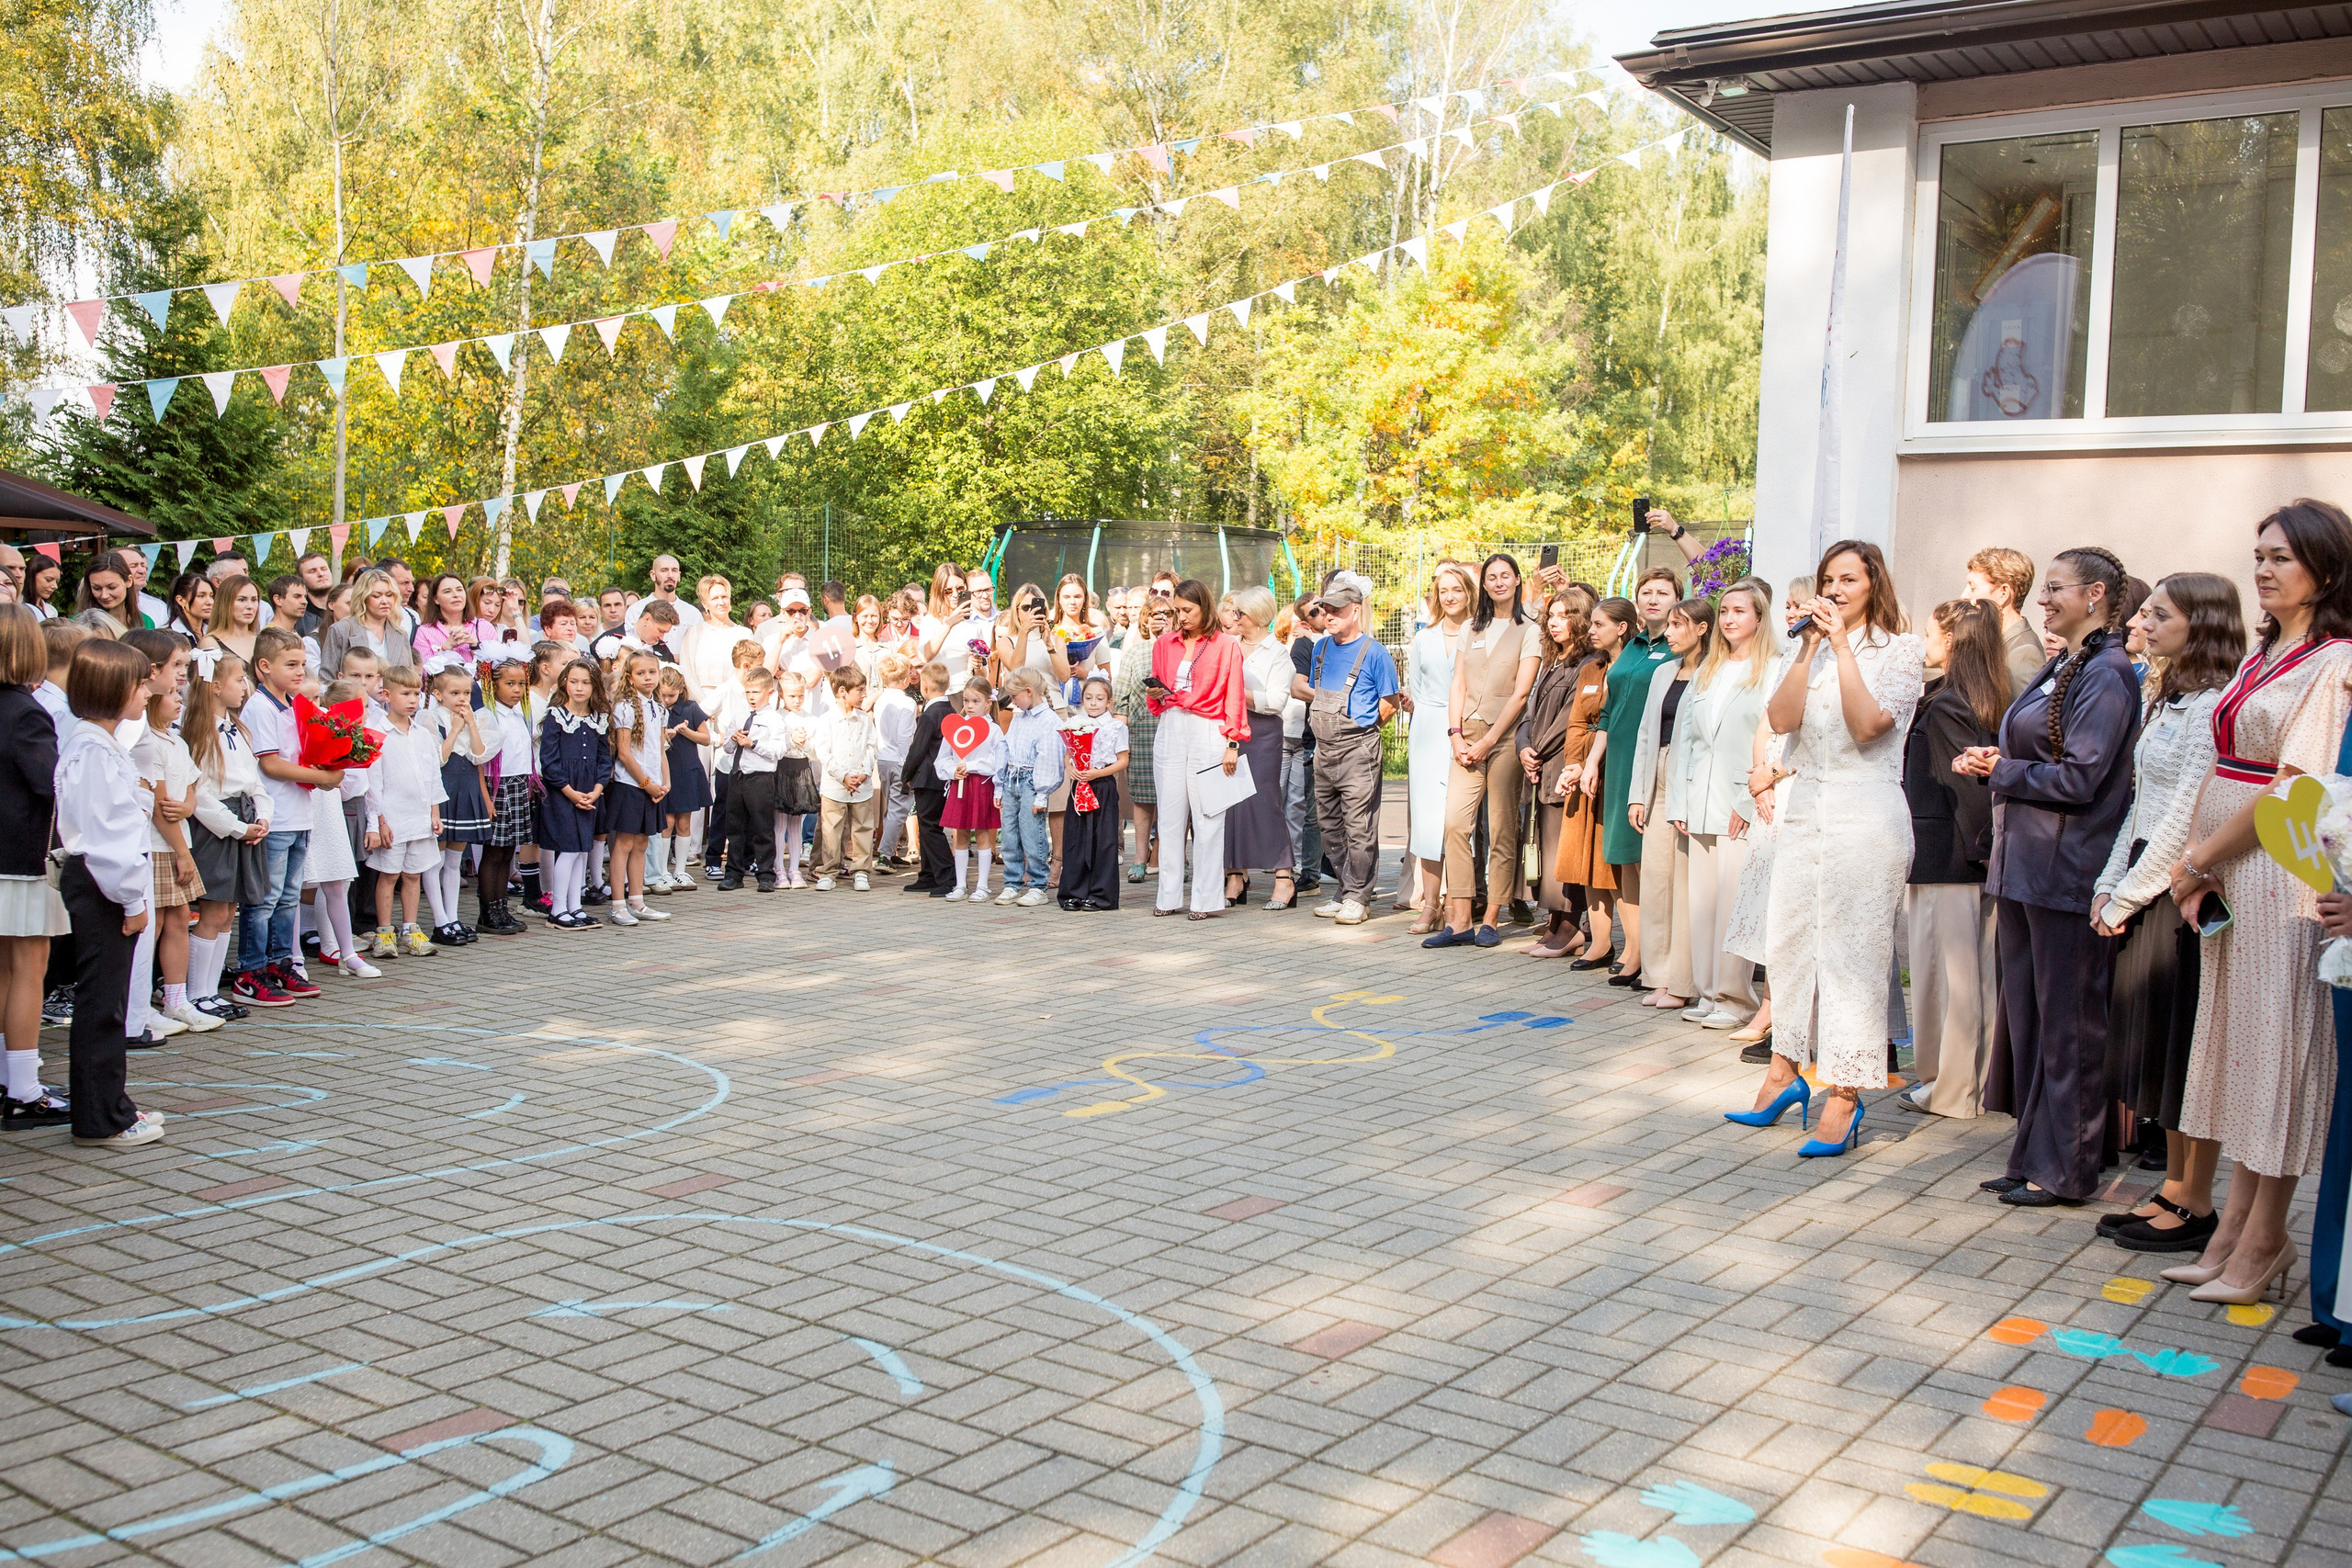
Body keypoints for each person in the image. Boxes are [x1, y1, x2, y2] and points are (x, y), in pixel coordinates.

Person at [2162, 501, 2352, 1304]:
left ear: (2327, 569)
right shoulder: (2266, 653)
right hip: (2230, 872)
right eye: (2259, 554)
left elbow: (2295, 791)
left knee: (2275, 1055)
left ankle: (2267, 1238)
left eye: (2281, 557)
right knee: (2235, 1052)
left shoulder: (2335, 661)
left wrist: (2203, 854)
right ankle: (2234, 1228)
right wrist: (2190, 865)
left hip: (2281, 871)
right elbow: (2222, 757)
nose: (2263, 568)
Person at [1729, 540, 1925, 1159]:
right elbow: (1782, 721)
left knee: (1854, 957)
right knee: (1789, 944)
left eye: (1848, 578)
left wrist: (1842, 645)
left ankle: (1845, 1092)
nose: (1835, 589)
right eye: (1828, 579)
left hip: (1866, 815)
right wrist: (1810, 646)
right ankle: (1784, 1071)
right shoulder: (1802, 648)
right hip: (1807, 811)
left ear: (1874, 584)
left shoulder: (1902, 651)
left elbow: (1869, 726)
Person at [2087, 573, 2245, 1250]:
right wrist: (2107, 882)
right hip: (2146, 878)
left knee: (2182, 1048)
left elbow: (2185, 815)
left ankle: (2194, 1196)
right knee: (2152, 1047)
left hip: (2178, 887)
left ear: (2200, 623)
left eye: (2159, 614)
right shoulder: (2167, 697)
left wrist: (2130, 892)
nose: (2142, 622)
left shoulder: (2214, 704)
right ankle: (2174, 1186)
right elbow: (2139, 805)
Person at [1897, 600, 2009, 1120]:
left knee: (1949, 977)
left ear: (1953, 641)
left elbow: (1969, 790)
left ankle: (1954, 1087)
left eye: (1928, 633)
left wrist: (1983, 854)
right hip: (1960, 855)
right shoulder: (1976, 697)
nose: (1923, 643)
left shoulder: (1949, 705)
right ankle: (1960, 1083)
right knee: (1963, 975)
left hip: (1951, 854)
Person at [53, 638, 165, 1145]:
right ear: (112, 687)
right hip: (105, 883)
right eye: (140, 683)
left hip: (108, 879)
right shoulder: (92, 749)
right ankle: (101, 1118)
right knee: (102, 1005)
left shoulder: (98, 742)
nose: (147, 692)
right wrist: (133, 901)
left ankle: (110, 1105)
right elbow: (106, 835)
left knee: (107, 1001)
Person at [1426, 555, 1543, 948]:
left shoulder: (1530, 629)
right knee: (1455, 824)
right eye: (1491, 577)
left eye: (1504, 576)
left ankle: (1492, 916)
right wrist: (1456, 736)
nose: (1497, 583)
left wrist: (1490, 741)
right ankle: (1458, 920)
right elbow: (1457, 683)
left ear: (1516, 581)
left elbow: (1522, 692)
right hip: (1466, 737)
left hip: (1505, 738)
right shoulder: (1470, 628)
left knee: (1502, 829)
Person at [1672, 581, 1773, 1028]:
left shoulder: (1770, 668)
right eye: (1726, 611)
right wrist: (1680, 799)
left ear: (1759, 618)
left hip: (1740, 801)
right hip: (1699, 797)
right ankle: (1709, 993)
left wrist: (1747, 800)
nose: (1730, 618)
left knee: (1736, 903)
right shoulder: (1708, 668)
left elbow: (1772, 743)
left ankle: (1736, 999)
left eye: (1740, 611)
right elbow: (1687, 741)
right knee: (1704, 903)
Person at [232, 627, 336, 1006]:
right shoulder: (260, 706)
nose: (298, 672)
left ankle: (279, 962)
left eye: (303, 665)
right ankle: (250, 970)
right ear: (263, 667)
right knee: (265, 898)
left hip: (298, 815)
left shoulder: (293, 705)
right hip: (274, 816)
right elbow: (272, 764)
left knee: (289, 897)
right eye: (290, 665)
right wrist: (321, 777)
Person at [1292, 572, 1401, 926]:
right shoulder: (1321, 648)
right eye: (1326, 609)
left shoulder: (1375, 652)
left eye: (1337, 609)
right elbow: (1306, 689)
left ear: (1355, 611)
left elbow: (1389, 703)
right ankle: (1344, 889)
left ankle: (1359, 897)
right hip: (1324, 749)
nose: (1330, 615)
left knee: (1360, 827)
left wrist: (1362, 728)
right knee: (1330, 826)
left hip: (1358, 750)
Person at [1621, 597, 1714, 1006]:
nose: (1670, 632)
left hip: (1690, 781)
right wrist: (1636, 796)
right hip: (1656, 777)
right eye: (1670, 625)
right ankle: (1657, 976)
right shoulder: (1663, 672)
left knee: (1685, 884)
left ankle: (1682, 982)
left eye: (1679, 625)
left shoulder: (1716, 674)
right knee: (1656, 878)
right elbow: (1645, 732)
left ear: (1701, 629)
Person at [1596, 564, 1686, 987]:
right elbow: (1609, 708)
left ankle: (1654, 955)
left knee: (1650, 858)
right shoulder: (1631, 646)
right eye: (1646, 592)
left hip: (1654, 759)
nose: (1652, 598)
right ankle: (1632, 948)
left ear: (1677, 600)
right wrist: (1594, 760)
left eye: (1662, 593)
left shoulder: (1679, 647)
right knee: (1623, 856)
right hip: (1618, 759)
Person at [0, 607, 68, 1125]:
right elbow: (52, 785)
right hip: (19, 859)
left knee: (6, 970)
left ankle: (10, 1076)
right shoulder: (24, 712)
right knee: (28, 969)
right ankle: (23, 1087)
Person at [1144, 579, 1247, 919]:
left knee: (1209, 818)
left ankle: (1205, 899)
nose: (1182, 617)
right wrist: (1157, 695)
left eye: (1188, 610)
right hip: (1172, 725)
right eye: (1177, 611)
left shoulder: (1226, 644)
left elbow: (1234, 694)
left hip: (1209, 729)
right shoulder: (1163, 644)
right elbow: (1155, 699)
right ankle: (1168, 896)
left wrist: (1233, 742)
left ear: (1205, 606)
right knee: (1170, 816)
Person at [183, 648, 266, 1018]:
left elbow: (255, 782)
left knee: (230, 910)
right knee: (213, 911)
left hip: (245, 820)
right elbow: (199, 794)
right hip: (220, 828)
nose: (245, 687)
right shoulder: (200, 732)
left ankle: (211, 992)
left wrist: (264, 816)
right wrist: (235, 828)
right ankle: (197, 993)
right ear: (215, 686)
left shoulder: (237, 728)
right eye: (238, 680)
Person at [1559, 598, 1633, 970]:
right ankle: (1600, 943)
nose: (1591, 631)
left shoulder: (1635, 666)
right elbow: (1576, 721)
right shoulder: (1591, 668)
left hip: (1615, 768)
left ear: (1622, 628)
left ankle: (1633, 946)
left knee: (1613, 865)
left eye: (1599, 624)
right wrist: (1573, 764)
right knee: (1586, 862)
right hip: (1583, 772)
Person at [361, 663, 448, 964]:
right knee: (389, 875)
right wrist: (380, 820)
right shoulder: (376, 734)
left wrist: (434, 812)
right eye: (405, 693)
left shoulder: (423, 734)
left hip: (419, 817)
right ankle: (384, 931)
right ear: (386, 695)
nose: (412, 699)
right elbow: (374, 784)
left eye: (416, 693)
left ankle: (410, 928)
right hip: (394, 818)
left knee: (413, 875)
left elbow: (432, 775)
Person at [1404, 562, 1474, 931]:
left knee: (1459, 821)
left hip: (1468, 729)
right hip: (1429, 729)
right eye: (1443, 590)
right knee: (1429, 822)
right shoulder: (1424, 638)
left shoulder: (1480, 633)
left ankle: (1458, 902)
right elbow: (1415, 688)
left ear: (1468, 594)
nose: (1449, 597)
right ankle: (1430, 905)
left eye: (1457, 590)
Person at [1223, 586, 1297, 909]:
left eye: (1240, 612)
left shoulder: (1277, 653)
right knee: (1231, 803)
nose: (1235, 617)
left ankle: (1284, 877)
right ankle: (1236, 874)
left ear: (1256, 615)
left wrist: (1238, 693)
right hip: (1229, 731)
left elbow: (1277, 701)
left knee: (1266, 803)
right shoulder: (1229, 646)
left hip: (1263, 732)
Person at [538, 659, 614, 931]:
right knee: (568, 850)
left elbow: (604, 759)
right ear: (565, 684)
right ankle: (558, 909)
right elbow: (549, 761)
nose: (579, 688)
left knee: (583, 849)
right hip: (564, 792)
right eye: (573, 682)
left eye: (585, 682)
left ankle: (575, 906)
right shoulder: (557, 717)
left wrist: (596, 789)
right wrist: (570, 792)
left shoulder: (599, 720)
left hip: (590, 791)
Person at [423, 657, 492, 946]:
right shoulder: (429, 718)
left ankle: (452, 917)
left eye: (466, 693)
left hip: (466, 786)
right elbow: (438, 759)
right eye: (455, 693)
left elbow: (479, 755)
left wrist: (471, 724)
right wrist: (453, 730)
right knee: (435, 859)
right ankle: (440, 920)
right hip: (443, 786)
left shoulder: (470, 717)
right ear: (438, 694)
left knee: (454, 858)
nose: (462, 699)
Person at [470, 651, 540, 935]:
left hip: (518, 785)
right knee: (494, 851)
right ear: (492, 684)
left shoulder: (519, 714)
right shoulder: (487, 716)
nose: (516, 690)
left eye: (521, 684)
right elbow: (479, 759)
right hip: (496, 786)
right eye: (509, 684)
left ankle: (502, 909)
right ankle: (488, 912)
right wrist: (486, 799)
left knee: (508, 850)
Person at [605, 649, 673, 926]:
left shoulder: (659, 709)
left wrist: (665, 782)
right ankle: (618, 904)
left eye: (652, 672)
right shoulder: (624, 707)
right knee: (623, 844)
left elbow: (660, 750)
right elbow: (624, 752)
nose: (648, 677)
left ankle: (637, 901)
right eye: (641, 673)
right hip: (631, 785)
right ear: (630, 678)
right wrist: (646, 784)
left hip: (653, 786)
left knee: (642, 843)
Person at [1058, 674, 1131, 910]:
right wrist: (1071, 769)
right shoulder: (1075, 723)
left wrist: (1097, 775)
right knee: (1076, 838)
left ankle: (1101, 894)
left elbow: (1122, 760)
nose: (1093, 703)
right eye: (1088, 698)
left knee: (1104, 840)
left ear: (1109, 702)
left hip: (1102, 785)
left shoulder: (1115, 727)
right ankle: (1073, 891)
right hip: (1079, 784)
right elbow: (1068, 755)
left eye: (1099, 698)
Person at [1112, 595, 1169, 884]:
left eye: (1167, 613)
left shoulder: (1182, 650)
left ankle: (1173, 856)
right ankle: (1139, 858)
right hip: (1142, 733)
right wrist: (1121, 741)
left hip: (1173, 730)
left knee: (1172, 798)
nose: (1161, 617)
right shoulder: (1134, 653)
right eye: (1155, 613)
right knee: (1142, 799)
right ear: (1144, 619)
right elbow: (1120, 700)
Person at [997, 665, 1065, 905]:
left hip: (1031, 781)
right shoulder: (1019, 718)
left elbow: (1049, 759)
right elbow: (1006, 749)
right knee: (1009, 835)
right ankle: (1012, 881)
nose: (1013, 702)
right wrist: (1000, 784)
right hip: (1012, 779)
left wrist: (1041, 794)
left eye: (1015, 697)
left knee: (1031, 833)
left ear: (1028, 691)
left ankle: (1038, 884)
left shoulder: (1049, 721)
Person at [810, 665, 881, 891]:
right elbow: (824, 752)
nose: (863, 695)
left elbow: (872, 747)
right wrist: (843, 776)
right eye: (859, 690)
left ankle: (861, 871)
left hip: (861, 785)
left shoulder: (864, 719)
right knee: (831, 830)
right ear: (842, 691)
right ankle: (828, 871)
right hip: (834, 786)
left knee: (862, 828)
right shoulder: (827, 720)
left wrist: (864, 772)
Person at [937, 675, 1006, 902]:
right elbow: (943, 758)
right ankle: (960, 884)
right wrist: (952, 770)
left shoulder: (993, 730)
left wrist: (972, 765)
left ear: (988, 703)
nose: (969, 706)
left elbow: (997, 761)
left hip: (981, 785)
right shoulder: (956, 726)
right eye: (966, 701)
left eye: (975, 701)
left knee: (984, 832)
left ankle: (983, 885)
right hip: (960, 784)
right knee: (961, 833)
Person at [651, 665, 710, 893]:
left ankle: (681, 870)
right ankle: (663, 871)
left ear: (681, 690)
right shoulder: (654, 709)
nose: (666, 700)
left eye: (671, 695)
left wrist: (685, 732)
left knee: (684, 821)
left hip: (686, 769)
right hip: (665, 771)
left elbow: (705, 739)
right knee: (667, 822)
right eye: (663, 694)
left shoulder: (690, 708)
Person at [900, 662, 956, 896]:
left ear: (924, 686)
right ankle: (928, 874)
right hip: (943, 778)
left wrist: (906, 775)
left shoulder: (930, 714)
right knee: (929, 826)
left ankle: (946, 876)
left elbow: (918, 749)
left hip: (928, 778)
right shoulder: (951, 711)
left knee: (930, 827)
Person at [1967, 546, 2047, 691]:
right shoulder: (1998, 641)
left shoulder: (2024, 652)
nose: (1965, 597)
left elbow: (2021, 713)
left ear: (2003, 593)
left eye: (1973, 588)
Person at [770, 671, 822, 887]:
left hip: (801, 771)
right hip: (782, 770)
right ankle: (778, 868)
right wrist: (791, 740)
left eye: (800, 696)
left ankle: (794, 869)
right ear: (781, 695)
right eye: (792, 696)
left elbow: (815, 751)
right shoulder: (776, 717)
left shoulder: (811, 719)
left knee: (796, 822)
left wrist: (805, 742)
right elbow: (774, 747)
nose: (797, 700)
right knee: (779, 822)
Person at [320, 569, 417, 675]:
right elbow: (327, 678)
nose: (385, 601)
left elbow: (409, 679)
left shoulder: (400, 634)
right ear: (363, 598)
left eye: (389, 595)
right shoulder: (341, 630)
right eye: (376, 596)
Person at [874, 653, 919, 866]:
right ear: (905, 679)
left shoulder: (881, 699)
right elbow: (904, 737)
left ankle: (889, 850)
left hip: (883, 758)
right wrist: (907, 765)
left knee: (891, 806)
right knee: (900, 806)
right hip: (899, 760)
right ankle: (884, 855)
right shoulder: (907, 702)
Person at [412, 574, 478, 664]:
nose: (456, 595)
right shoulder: (424, 632)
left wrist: (475, 647)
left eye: (459, 590)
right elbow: (424, 672)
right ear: (436, 599)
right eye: (447, 591)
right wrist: (445, 648)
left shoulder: (483, 627)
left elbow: (494, 672)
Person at [203, 574, 264, 664]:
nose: (250, 606)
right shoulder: (210, 643)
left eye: (254, 600)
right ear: (225, 603)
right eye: (242, 600)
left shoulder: (262, 640)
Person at [166, 571, 214, 643]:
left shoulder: (215, 634)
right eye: (201, 596)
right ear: (181, 600)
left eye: (211, 596)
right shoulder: (168, 638)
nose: (210, 602)